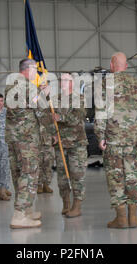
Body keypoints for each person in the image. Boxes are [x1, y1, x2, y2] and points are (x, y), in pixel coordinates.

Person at [94, 52, 137, 229]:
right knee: (133, 176)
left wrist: (100, 136)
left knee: (115, 178)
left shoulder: (103, 85)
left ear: (112, 65)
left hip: (112, 140)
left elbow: (100, 114)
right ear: (126, 66)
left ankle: (121, 218)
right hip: (132, 140)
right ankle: (133, 217)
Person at [5, 58, 54, 229]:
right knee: (28, 174)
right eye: (35, 69)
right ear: (29, 69)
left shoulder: (12, 85)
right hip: (26, 140)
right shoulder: (27, 85)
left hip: (15, 138)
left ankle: (25, 210)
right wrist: (45, 94)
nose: (37, 73)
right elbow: (39, 107)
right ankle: (19, 214)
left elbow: (25, 105)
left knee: (20, 173)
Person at [53, 73, 88, 218]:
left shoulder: (79, 99)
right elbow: (49, 119)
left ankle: (77, 206)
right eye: (62, 80)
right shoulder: (55, 100)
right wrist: (52, 134)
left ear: (73, 83)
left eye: (67, 80)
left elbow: (77, 117)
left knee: (77, 175)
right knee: (61, 176)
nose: (63, 83)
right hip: (60, 143)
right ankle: (66, 203)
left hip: (76, 143)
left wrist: (60, 117)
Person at [37, 126, 55, 194]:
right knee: (39, 163)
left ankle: (46, 184)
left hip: (48, 141)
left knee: (48, 163)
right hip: (38, 141)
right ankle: (39, 185)